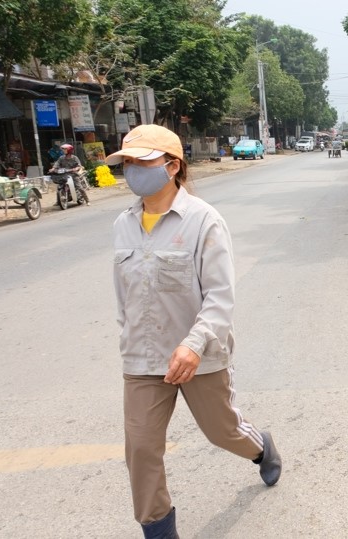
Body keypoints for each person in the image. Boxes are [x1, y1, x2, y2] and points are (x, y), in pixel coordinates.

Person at [105, 124, 282, 539]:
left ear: (172, 166)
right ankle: (159, 530)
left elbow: (220, 296)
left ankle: (262, 448)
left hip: (200, 355)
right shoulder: (123, 224)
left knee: (224, 432)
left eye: (142, 162)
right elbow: (122, 297)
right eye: (127, 163)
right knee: (141, 449)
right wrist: (128, 340)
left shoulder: (204, 221)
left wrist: (194, 344)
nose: (132, 171)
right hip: (143, 359)